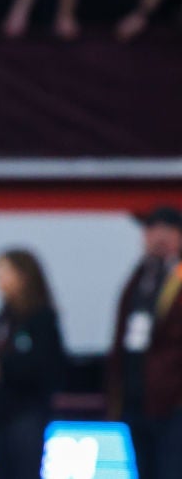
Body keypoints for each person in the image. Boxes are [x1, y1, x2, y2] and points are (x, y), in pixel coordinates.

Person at [106, 205, 182, 479]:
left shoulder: (176, 278)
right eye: (152, 230)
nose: (159, 238)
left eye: (168, 231)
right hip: (138, 398)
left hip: (173, 404)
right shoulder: (139, 278)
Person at [0, 249, 66, 479]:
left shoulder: (41, 318)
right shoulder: (0, 319)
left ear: (23, 276)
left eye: (4, 272)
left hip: (26, 412)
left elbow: (47, 365)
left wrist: (3, 367)